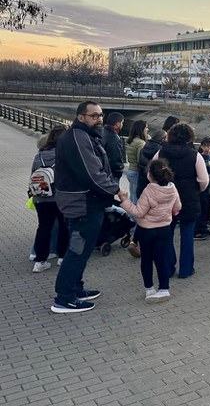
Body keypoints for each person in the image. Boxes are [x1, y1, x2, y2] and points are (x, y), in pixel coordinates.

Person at [51, 101, 120, 313]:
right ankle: (64, 298)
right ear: (81, 117)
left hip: (86, 203)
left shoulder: (85, 135)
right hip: (82, 205)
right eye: (94, 116)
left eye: (101, 115)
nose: (99, 119)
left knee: (82, 249)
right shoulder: (78, 138)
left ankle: (76, 289)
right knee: (77, 250)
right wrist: (117, 191)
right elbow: (92, 174)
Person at [118, 158, 181, 303]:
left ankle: (149, 289)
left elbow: (138, 212)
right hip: (164, 229)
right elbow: (177, 207)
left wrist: (124, 201)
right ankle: (164, 289)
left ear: (150, 175)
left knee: (146, 260)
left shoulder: (149, 190)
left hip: (147, 231)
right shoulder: (172, 188)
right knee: (161, 259)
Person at [158, 123, 209, 279]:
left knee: (167, 233)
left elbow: (150, 175)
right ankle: (186, 269)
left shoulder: (161, 152)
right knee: (187, 234)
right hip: (188, 198)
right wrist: (197, 190)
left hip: (166, 198)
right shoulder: (195, 155)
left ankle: (168, 267)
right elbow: (204, 180)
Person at [30, 125, 69, 273]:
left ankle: (40, 261)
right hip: (60, 197)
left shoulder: (39, 155)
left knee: (44, 227)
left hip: (41, 197)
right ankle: (62, 257)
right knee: (64, 226)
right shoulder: (64, 155)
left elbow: (33, 175)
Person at [194, 137, 210, 240]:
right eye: (205, 146)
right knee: (201, 207)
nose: (207, 148)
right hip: (202, 186)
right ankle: (198, 229)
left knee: (206, 206)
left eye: (209, 146)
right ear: (201, 147)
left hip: (209, 185)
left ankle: (204, 227)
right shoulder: (200, 157)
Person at [125, 120, 149, 203]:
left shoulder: (132, 140)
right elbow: (140, 160)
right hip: (136, 172)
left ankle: (130, 211)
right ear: (141, 129)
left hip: (130, 170)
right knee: (136, 198)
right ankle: (133, 212)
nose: (147, 129)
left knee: (132, 195)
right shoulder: (141, 143)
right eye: (146, 128)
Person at [102, 112, 126, 184]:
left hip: (104, 171)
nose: (122, 125)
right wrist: (119, 171)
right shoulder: (113, 137)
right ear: (117, 124)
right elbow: (115, 157)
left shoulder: (103, 132)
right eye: (122, 123)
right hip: (111, 173)